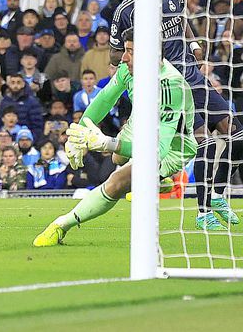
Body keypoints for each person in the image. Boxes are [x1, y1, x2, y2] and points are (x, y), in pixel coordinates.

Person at [34, 30, 197, 246]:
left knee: (118, 181)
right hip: (141, 122)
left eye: (130, 51)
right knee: (117, 159)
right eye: (125, 50)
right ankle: (156, 180)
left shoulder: (170, 84)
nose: (124, 57)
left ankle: (61, 225)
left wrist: (107, 142)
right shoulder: (128, 69)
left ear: (151, 53)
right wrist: (77, 134)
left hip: (174, 143)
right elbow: (104, 99)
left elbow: (158, 149)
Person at [111, 0, 242, 230]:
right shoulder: (125, 12)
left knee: (236, 132)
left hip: (196, 78)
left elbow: (180, 19)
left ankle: (217, 195)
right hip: (172, 87)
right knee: (205, 140)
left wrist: (193, 44)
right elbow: (115, 55)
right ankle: (203, 213)